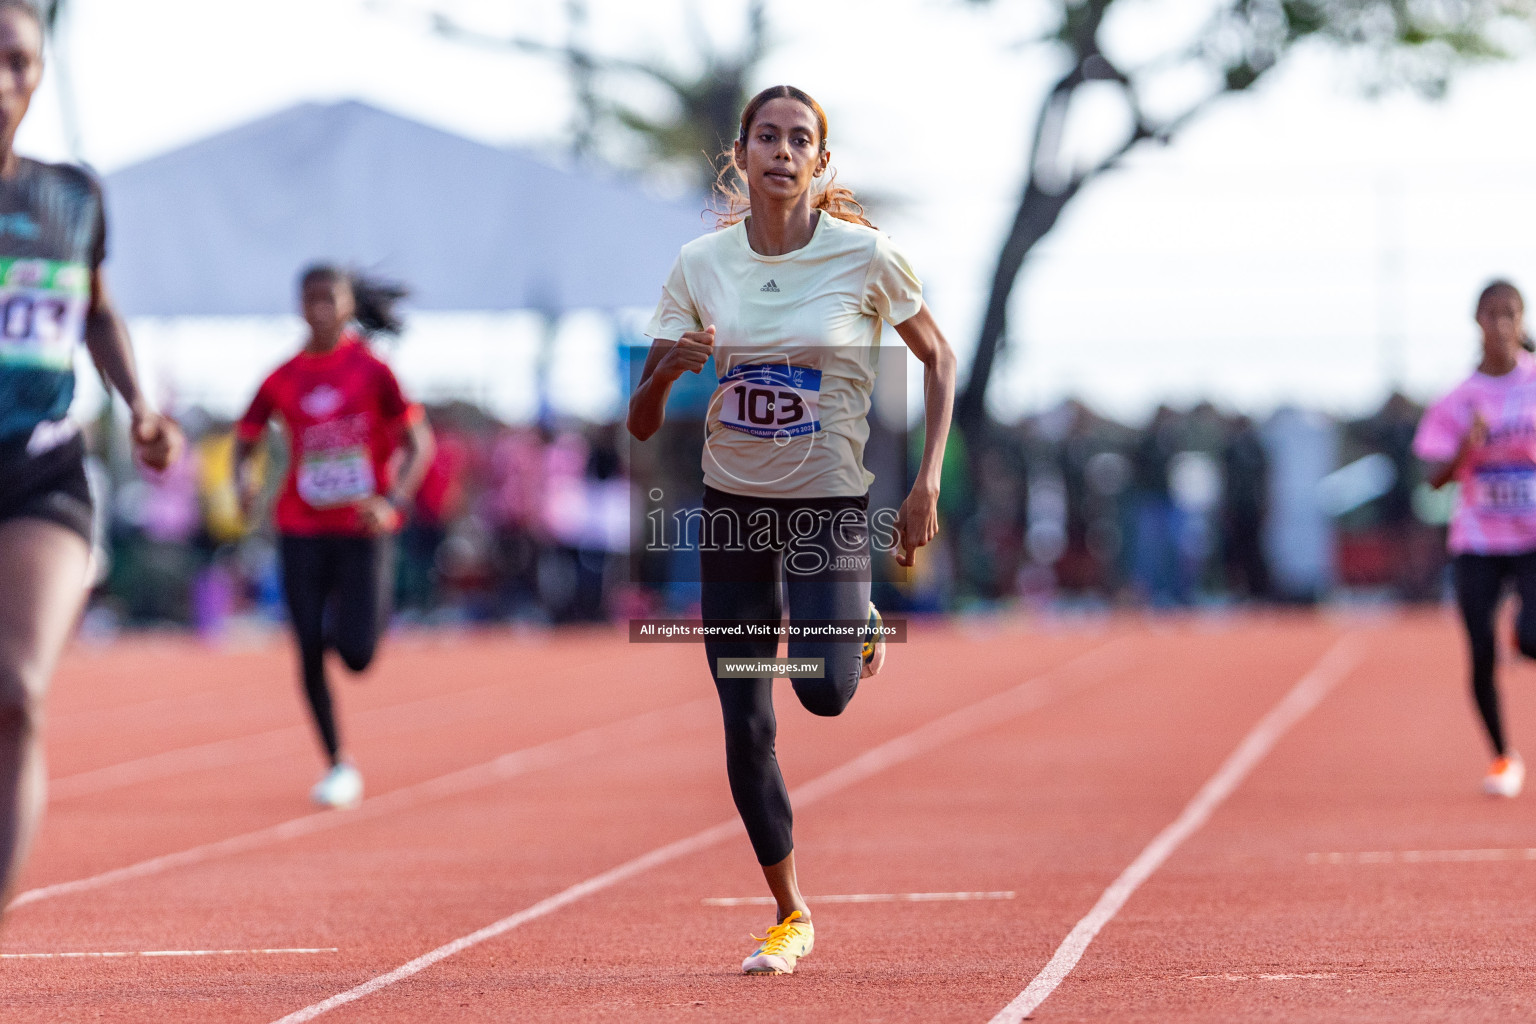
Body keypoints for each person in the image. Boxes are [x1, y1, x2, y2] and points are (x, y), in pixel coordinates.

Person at [627, 85, 956, 974]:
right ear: (742, 153)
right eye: (766, 136)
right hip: (732, 509)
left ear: (820, 161)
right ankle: (789, 911)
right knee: (745, 720)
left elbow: (939, 358)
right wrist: (669, 372)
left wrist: (925, 483)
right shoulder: (701, 265)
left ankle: (849, 628)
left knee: (824, 690)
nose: (781, 150)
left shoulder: (865, 257)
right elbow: (642, 422)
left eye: (798, 138)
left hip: (827, 508)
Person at [0, 0, 184, 915]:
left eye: (17, 62)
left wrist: (140, 405)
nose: (0, 82)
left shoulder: (71, 196)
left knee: (16, 692)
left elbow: (96, 306)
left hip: (38, 466)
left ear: (35, 76)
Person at [234, 266, 433, 808]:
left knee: (358, 655)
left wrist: (392, 500)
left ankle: (339, 631)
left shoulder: (373, 370)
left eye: (329, 298)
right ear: (299, 306)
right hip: (299, 527)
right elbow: (246, 433)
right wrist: (243, 484)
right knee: (305, 650)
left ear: (347, 305)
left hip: (362, 528)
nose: (319, 309)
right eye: (310, 299)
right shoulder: (283, 376)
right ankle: (337, 763)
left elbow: (420, 441)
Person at [1415, 280, 1536, 798]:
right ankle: (1502, 757)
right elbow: (1433, 478)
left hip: (1532, 536)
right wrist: (1467, 445)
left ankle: (1523, 634)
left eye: (1510, 314)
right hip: (1478, 538)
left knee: (1531, 638)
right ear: (1478, 323)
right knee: (1480, 651)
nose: (1502, 325)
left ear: (1523, 320)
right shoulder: (1458, 399)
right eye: (1492, 315)